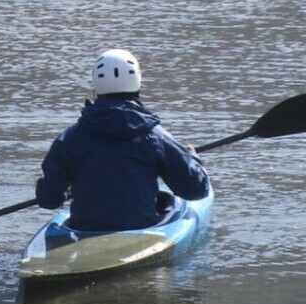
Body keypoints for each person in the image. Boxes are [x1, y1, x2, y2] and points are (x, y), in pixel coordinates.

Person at [35, 49, 210, 232]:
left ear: (96, 84)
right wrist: (192, 157)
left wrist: (64, 187)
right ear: (137, 82)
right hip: (140, 232)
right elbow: (196, 190)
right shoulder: (156, 136)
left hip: (84, 232)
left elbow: (48, 200)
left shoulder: (70, 138)